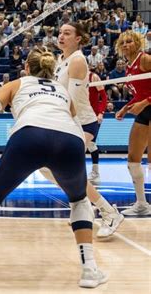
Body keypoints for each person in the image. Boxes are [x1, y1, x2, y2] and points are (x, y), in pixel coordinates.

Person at [0, 48, 108, 288]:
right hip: (69, 140)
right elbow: (73, 119)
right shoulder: (62, 90)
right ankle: (90, 270)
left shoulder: (17, 83)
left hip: (30, 135)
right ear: (52, 71)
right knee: (79, 201)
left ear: (28, 68)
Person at [46, 22, 123, 237]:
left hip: (81, 123)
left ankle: (108, 212)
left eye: (67, 33)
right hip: (66, 122)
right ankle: (86, 207)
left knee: (65, 170)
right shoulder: (60, 60)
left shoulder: (78, 60)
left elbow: (70, 101)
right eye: (60, 32)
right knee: (49, 168)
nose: (61, 36)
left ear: (78, 38)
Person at [115, 31, 151, 215]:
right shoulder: (129, 67)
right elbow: (139, 94)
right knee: (133, 159)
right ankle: (142, 204)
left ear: (137, 43)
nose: (126, 45)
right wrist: (126, 108)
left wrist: (144, 103)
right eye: (123, 42)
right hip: (144, 111)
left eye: (129, 41)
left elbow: (144, 97)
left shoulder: (145, 59)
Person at [88, 72, 107, 184]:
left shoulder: (93, 77)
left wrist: (101, 113)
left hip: (93, 116)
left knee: (90, 143)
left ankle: (95, 172)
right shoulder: (74, 79)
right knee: (87, 144)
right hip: (80, 115)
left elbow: (104, 96)